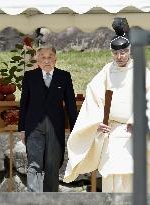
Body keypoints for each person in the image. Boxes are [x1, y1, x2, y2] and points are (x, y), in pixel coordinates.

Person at [63, 20, 150, 192]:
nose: (120, 56)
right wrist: (98, 121)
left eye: (124, 52)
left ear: (129, 51)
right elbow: (93, 97)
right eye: (116, 53)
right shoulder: (106, 71)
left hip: (136, 133)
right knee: (112, 177)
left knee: (136, 179)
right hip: (114, 132)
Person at [18, 46, 77, 192]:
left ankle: (50, 199)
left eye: (50, 57)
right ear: (37, 60)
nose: (46, 60)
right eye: (43, 57)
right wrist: (22, 129)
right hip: (33, 127)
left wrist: (75, 129)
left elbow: (71, 105)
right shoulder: (29, 77)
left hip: (55, 127)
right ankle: (35, 200)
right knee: (34, 164)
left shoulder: (64, 76)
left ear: (55, 59)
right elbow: (23, 103)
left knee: (52, 165)